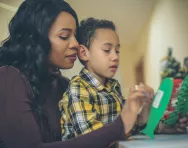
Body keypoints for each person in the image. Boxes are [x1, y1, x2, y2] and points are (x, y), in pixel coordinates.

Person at [0, 0, 187, 148]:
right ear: (36, 39)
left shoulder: (63, 85)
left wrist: (159, 125)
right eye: (64, 36)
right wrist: (122, 123)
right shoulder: (9, 77)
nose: (75, 44)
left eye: (75, 36)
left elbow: (114, 129)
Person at [59, 17, 148, 140]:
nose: (115, 57)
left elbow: (129, 128)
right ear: (84, 53)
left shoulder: (114, 86)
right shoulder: (78, 88)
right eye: (107, 50)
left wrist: (144, 109)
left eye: (117, 51)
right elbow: (92, 138)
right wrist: (129, 111)